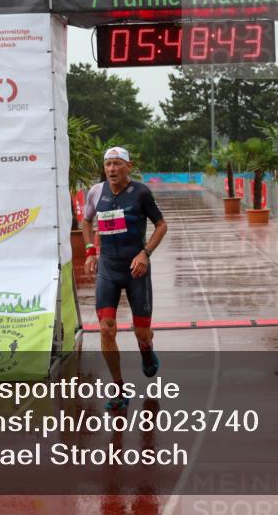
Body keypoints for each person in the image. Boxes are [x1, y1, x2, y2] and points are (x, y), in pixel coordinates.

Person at [82, 147, 168, 410]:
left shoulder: (141, 193)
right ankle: (119, 389)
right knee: (106, 329)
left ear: (128, 166)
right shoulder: (96, 192)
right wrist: (90, 250)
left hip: (135, 270)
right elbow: (86, 221)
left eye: (117, 164)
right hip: (108, 269)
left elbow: (161, 225)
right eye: (108, 164)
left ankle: (146, 348)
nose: (112, 169)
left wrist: (145, 254)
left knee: (141, 332)